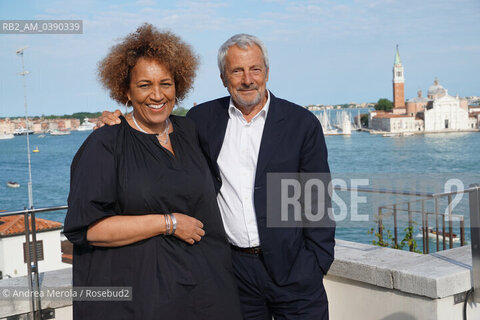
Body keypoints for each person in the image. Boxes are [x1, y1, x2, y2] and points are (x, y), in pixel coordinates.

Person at [100, 33, 335, 320]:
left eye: (255, 69)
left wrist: (316, 264)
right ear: (224, 78)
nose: (247, 79)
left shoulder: (301, 124)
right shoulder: (201, 121)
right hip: (234, 274)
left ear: (267, 73)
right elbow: (153, 119)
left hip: (295, 273)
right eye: (237, 71)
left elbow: (317, 203)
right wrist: (117, 121)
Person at [63, 24, 242, 320]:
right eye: (145, 85)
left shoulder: (190, 131)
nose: (157, 95)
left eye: (166, 83)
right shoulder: (106, 142)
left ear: (178, 86)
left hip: (207, 295)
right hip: (142, 302)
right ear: (126, 91)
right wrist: (167, 223)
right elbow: (86, 228)